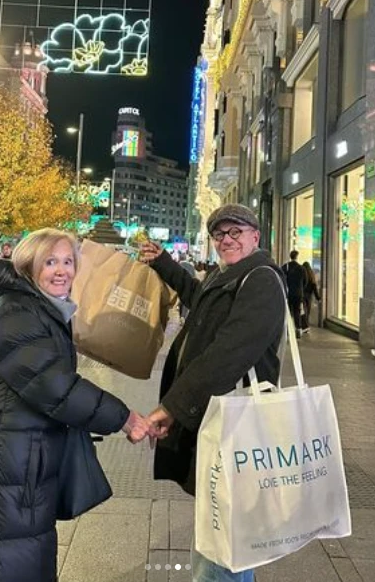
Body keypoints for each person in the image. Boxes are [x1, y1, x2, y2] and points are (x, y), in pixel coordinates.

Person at [0, 228, 152, 582]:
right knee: (3, 564)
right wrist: (126, 419)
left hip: (19, 463)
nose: (62, 271)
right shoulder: (18, 315)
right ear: (29, 267)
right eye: (50, 262)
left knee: (19, 558)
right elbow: (57, 388)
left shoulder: (38, 308)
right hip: (5, 467)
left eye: (68, 262)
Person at [140, 204, 285, 582]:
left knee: (224, 531)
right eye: (220, 234)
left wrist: (172, 407)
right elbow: (200, 297)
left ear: (255, 236)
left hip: (239, 421)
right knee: (220, 520)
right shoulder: (231, 275)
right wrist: (165, 263)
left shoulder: (262, 279)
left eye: (236, 232)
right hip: (219, 415)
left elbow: (229, 353)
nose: (226, 240)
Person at [282, 250, 308, 337]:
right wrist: (301, 289)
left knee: (288, 311)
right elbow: (305, 281)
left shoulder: (286, 267)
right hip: (298, 294)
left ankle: (287, 330)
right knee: (297, 311)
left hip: (289, 293)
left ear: (290, 257)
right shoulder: (301, 268)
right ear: (297, 257)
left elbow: (281, 277)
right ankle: (298, 329)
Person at [302, 260, 320, 329]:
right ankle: (306, 324)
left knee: (303, 310)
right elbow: (314, 287)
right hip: (309, 296)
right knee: (308, 310)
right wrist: (318, 297)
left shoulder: (302, 275)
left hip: (302, 295)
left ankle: (304, 325)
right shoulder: (311, 275)